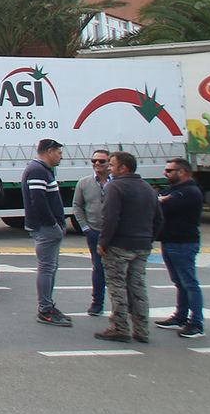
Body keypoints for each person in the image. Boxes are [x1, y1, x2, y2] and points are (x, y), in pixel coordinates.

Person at [96, 151, 161, 343]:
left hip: (120, 245)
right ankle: (142, 329)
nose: (109, 168)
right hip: (141, 245)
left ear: (123, 168)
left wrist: (103, 242)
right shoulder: (148, 188)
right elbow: (159, 219)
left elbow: (110, 217)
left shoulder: (115, 187)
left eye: (112, 164)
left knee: (117, 286)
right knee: (138, 287)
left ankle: (120, 327)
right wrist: (149, 239)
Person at [22, 138, 70, 328]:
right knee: (47, 268)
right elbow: (38, 200)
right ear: (49, 151)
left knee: (50, 267)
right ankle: (45, 308)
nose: (60, 156)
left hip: (48, 228)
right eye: (58, 152)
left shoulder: (40, 170)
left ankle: (48, 305)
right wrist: (54, 224)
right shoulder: (37, 170)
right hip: (46, 228)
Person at [155, 156, 204, 339]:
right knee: (180, 283)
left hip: (183, 243)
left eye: (169, 171)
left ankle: (196, 323)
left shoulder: (190, 192)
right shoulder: (174, 190)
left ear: (182, 172)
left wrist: (161, 201)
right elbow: (158, 200)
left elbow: (162, 206)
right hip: (169, 241)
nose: (165, 173)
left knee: (189, 283)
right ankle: (181, 316)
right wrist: (161, 199)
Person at [74, 150, 111, 318]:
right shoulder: (84, 182)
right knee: (98, 268)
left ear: (109, 163)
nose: (97, 164)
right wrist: (85, 228)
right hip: (94, 231)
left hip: (114, 233)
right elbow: (77, 206)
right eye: (94, 161)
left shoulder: (117, 183)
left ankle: (123, 303)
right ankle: (97, 303)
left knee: (119, 269)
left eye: (101, 161)